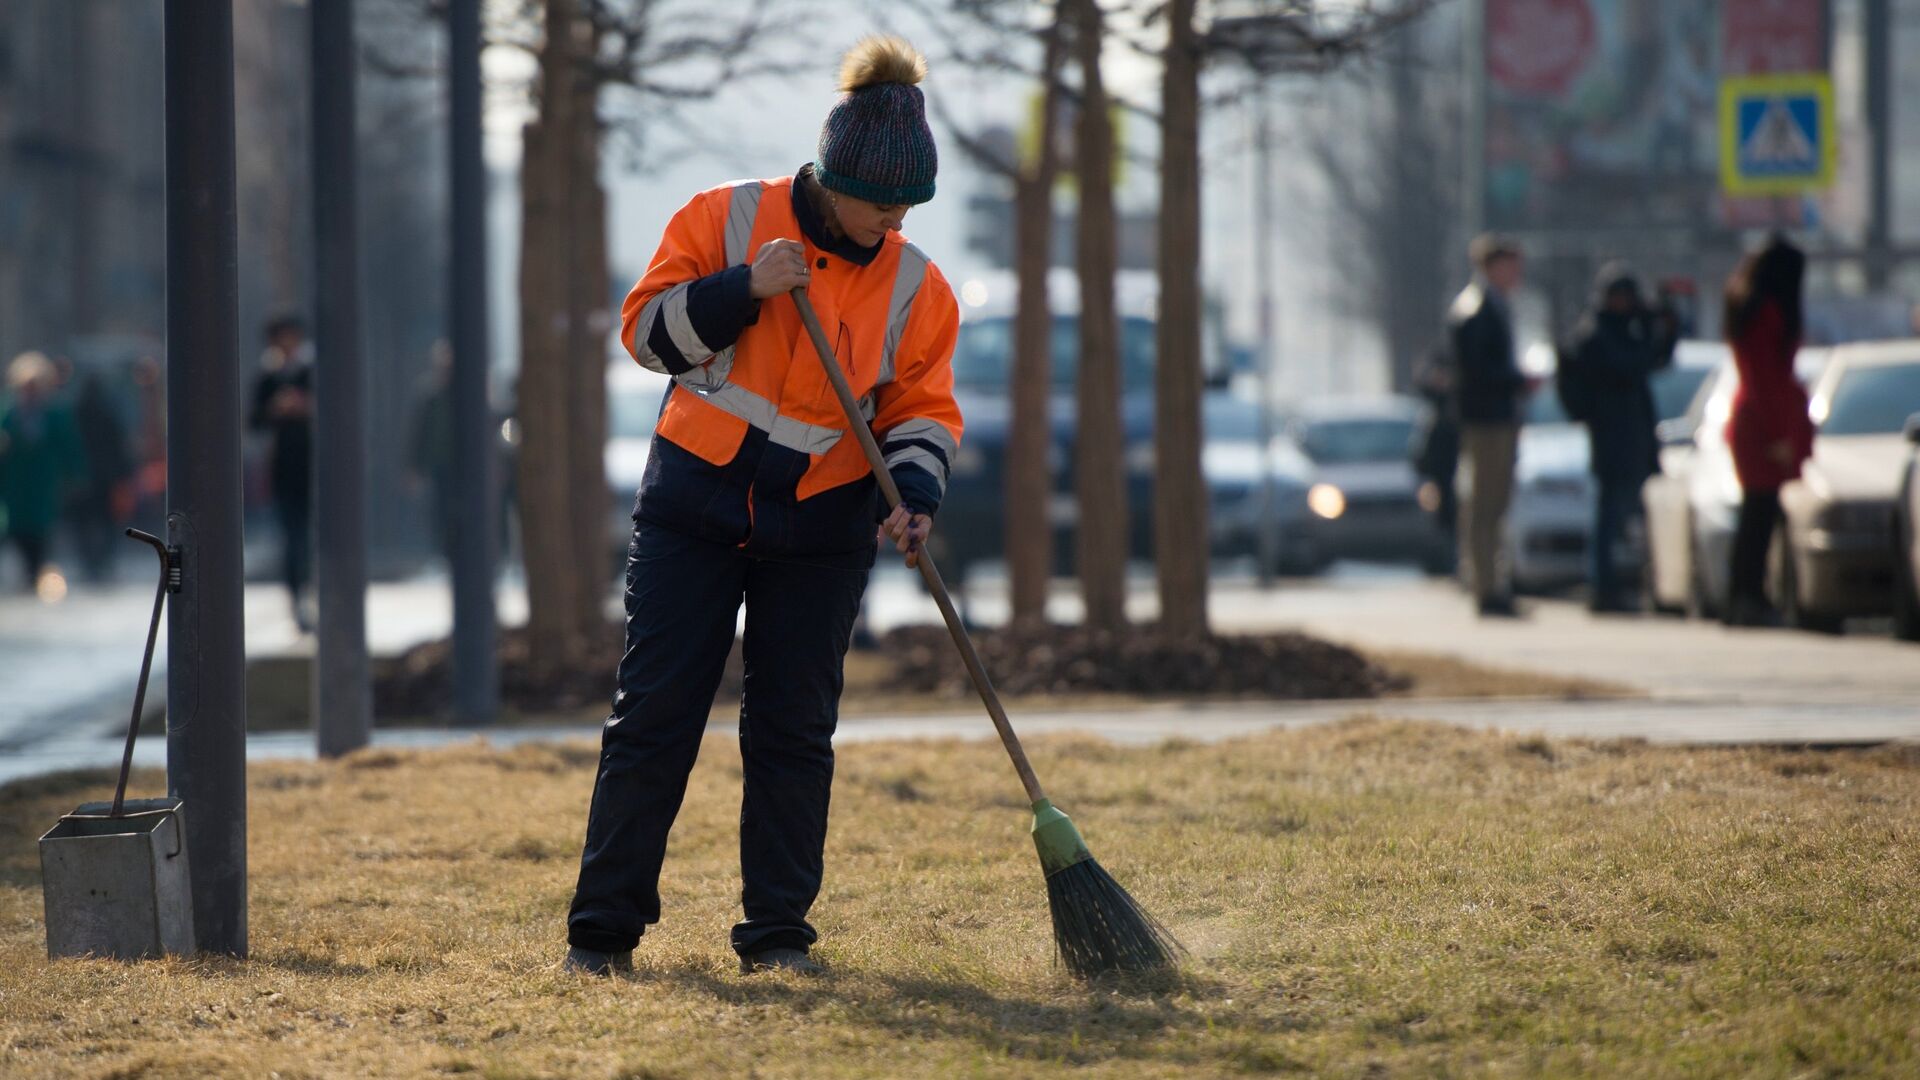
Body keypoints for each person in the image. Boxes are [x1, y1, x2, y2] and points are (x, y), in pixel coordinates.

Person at [563, 35, 962, 978]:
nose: (893, 220)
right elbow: (645, 336)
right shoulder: (724, 218)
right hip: (692, 513)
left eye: (908, 205)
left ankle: (779, 936)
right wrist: (745, 287)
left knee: (793, 735)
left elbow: (921, 407)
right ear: (833, 177)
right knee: (654, 720)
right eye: (881, 202)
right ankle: (602, 936)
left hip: (822, 529)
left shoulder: (915, 283)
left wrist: (911, 496)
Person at [1558, 262, 1677, 612]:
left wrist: (1666, 327)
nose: (1626, 305)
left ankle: (1649, 584)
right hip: (1611, 439)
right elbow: (1629, 364)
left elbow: (1658, 360)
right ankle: (1604, 587)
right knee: (1610, 516)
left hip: (1636, 435)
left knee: (1640, 516)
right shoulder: (1596, 334)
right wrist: (1650, 325)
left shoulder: (1629, 329)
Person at [1721, 236, 1813, 627]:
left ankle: (1749, 593)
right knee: (1758, 514)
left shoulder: (1752, 305)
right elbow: (1764, 379)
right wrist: (1779, 435)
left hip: (1760, 419)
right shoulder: (1766, 312)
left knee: (1760, 512)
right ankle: (1746, 596)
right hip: (1762, 424)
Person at [1447, 234, 1528, 617]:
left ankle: (1492, 581)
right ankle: (1485, 586)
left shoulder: (1491, 306)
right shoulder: (1476, 309)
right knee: (1485, 506)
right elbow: (1476, 371)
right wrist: (1516, 380)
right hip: (1487, 420)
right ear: (1492, 267)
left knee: (1495, 505)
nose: (1516, 273)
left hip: (1497, 417)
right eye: (1510, 265)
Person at [249, 315, 315, 632]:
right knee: (292, 537)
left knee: (312, 536)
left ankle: (313, 591)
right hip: (284, 471)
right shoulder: (268, 378)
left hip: (315, 468)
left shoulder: (312, 372)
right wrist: (275, 408)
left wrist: (305, 408)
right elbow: (254, 421)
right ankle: (297, 596)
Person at [1, 352, 84, 591]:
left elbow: (70, 447)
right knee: (16, 531)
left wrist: (76, 475)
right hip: (14, 487)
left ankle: (34, 572)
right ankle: (27, 572)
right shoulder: (8, 415)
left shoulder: (55, 415)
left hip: (43, 486)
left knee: (40, 533)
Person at [71, 373, 135, 582]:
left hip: (86, 478)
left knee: (86, 523)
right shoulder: (107, 415)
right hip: (103, 478)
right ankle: (100, 561)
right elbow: (119, 448)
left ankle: (92, 562)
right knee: (104, 522)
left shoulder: (78, 415)